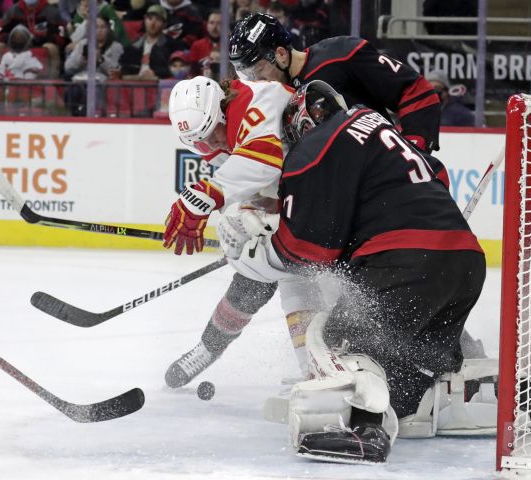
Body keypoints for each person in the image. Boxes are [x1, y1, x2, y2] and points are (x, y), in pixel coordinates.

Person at [222, 80, 487, 464]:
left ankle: (366, 430)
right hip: (464, 261)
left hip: (408, 262)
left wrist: (245, 254)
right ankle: (488, 395)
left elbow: (305, 252)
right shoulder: (374, 124)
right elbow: (435, 174)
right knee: (411, 362)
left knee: (337, 340)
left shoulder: (314, 147)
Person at [162, 75, 328, 389]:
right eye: (198, 142)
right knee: (262, 274)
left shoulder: (256, 100)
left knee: (287, 271)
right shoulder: (220, 130)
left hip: (329, 196)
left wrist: (208, 194)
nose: (209, 146)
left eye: (211, 134)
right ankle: (212, 347)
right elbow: (260, 184)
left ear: (222, 112)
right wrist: (243, 218)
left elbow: (265, 160)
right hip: (304, 195)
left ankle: (316, 368)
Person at [228, 12, 441, 154]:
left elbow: (414, 90)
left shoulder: (341, 55)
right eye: (247, 74)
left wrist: (414, 149)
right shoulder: (272, 97)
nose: (256, 82)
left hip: (382, 177)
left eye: (258, 71)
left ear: (281, 54)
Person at [0, 0, 65, 77]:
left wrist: (37, 39)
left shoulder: (52, 11)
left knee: (51, 47)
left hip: (41, 43)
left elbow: (59, 36)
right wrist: (16, 39)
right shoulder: (12, 11)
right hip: (17, 44)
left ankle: (53, 79)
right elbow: (2, 33)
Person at [119, 4, 184, 80]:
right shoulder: (133, 45)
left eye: (158, 20)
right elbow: (125, 66)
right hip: (134, 85)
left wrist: (155, 73)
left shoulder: (173, 46)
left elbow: (176, 68)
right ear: (145, 20)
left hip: (160, 87)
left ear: (164, 24)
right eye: (150, 19)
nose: (153, 23)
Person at [187, 9, 219, 74]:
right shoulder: (197, 45)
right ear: (206, 25)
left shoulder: (232, 45)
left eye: (219, 23)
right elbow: (192, 72)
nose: (215, 27)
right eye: (211, 23)